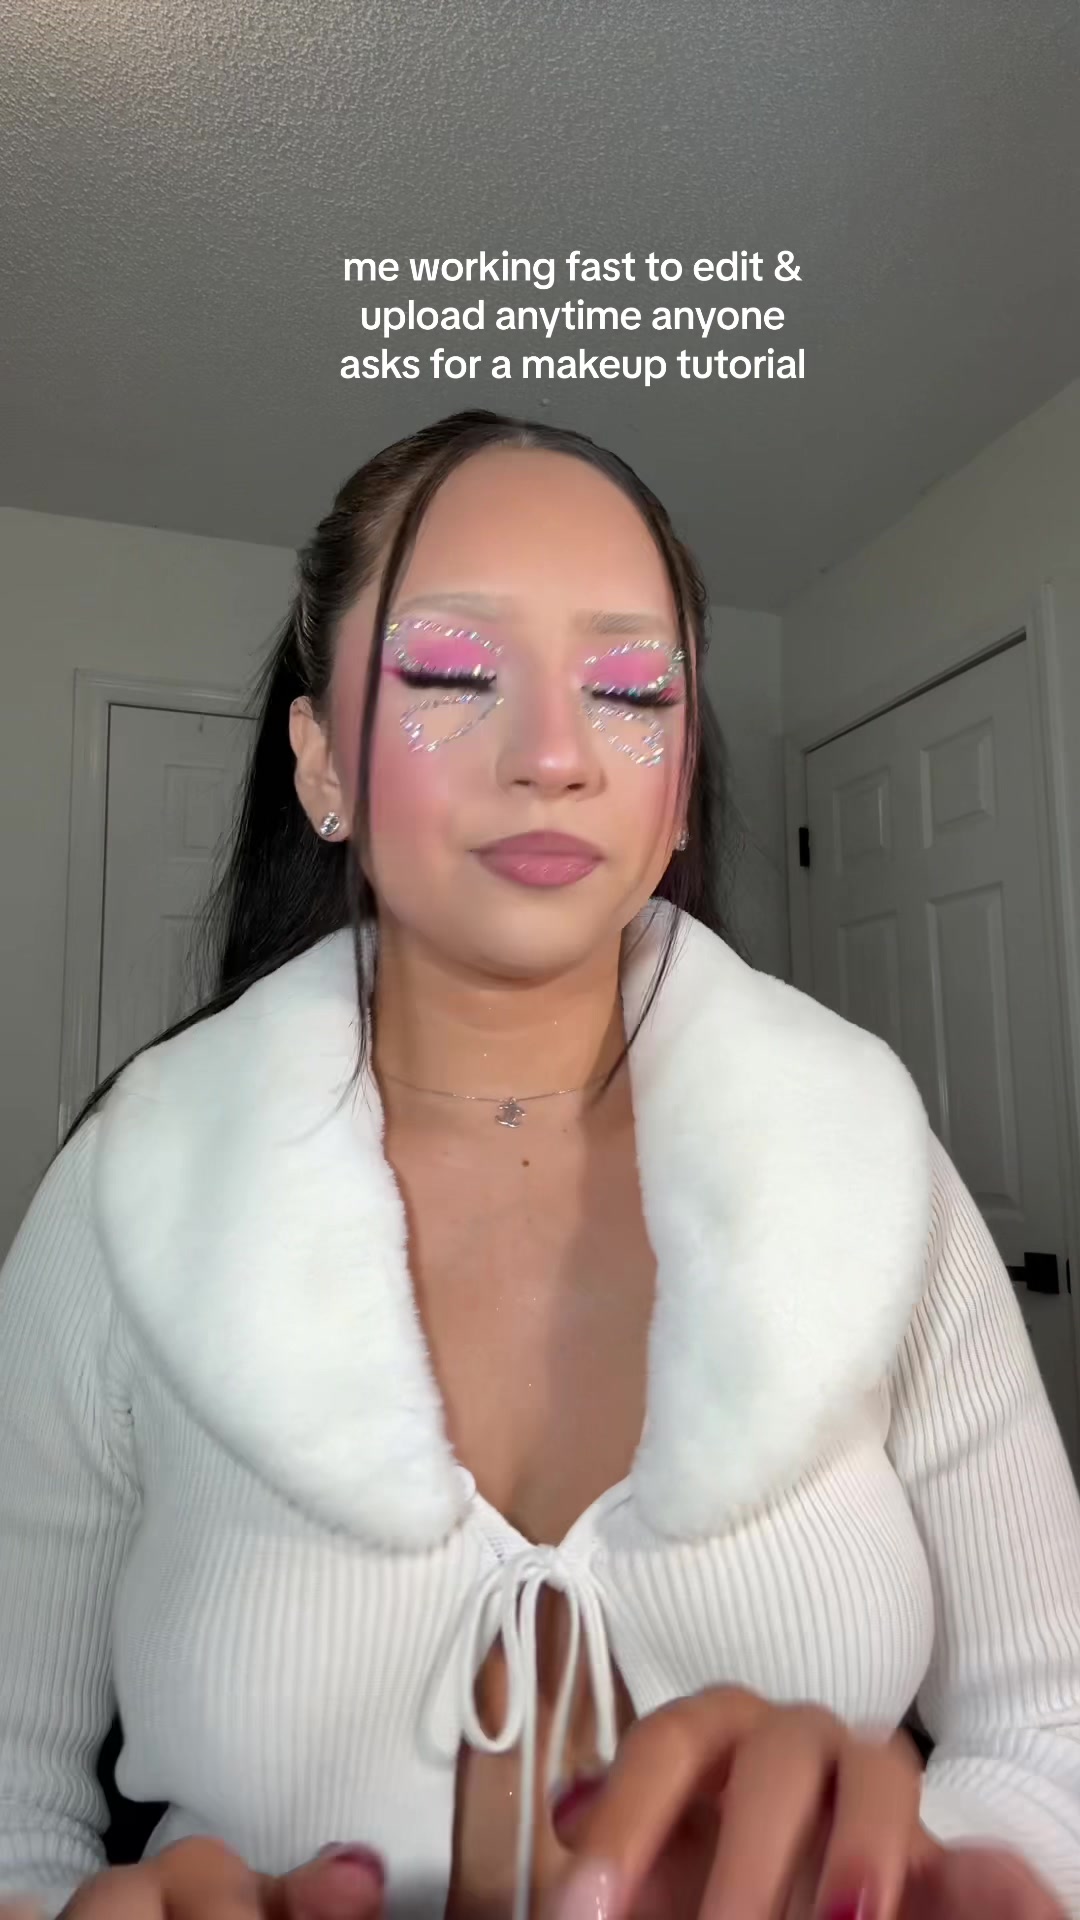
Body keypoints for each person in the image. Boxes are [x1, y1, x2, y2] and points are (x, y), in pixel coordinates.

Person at [1, 410, 1078, 1920]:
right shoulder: (130, 1194)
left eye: (630, 691)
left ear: (677, 781)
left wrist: (931, 1884)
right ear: (321, 762)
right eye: (451, 674)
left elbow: (1051, 1724)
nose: (557, 756)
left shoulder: (869, 1158)